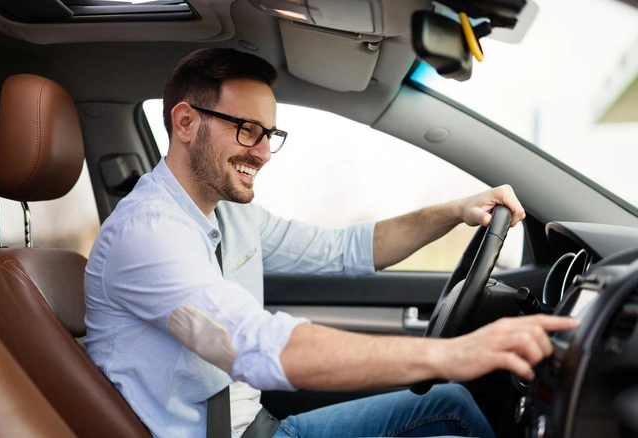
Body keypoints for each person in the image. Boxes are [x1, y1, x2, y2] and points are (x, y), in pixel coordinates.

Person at [84, 48, 578, 438]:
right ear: (186, 122)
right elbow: (258, 346)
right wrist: (457, 355)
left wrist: (454, 211)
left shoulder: (231, 213)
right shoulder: (146, 234)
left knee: (449, 403)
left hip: (259, 426)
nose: (263, 153)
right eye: (247, 130)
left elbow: (345, 249)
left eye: (269, 134)